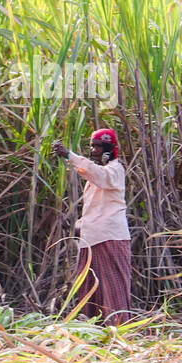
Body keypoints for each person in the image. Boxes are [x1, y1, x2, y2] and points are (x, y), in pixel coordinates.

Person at [51, 128, 132, 324]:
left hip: (110, 237)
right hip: (91, 238)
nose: (94, 151)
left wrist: (69, 155)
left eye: (99, 147)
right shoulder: (96, 176)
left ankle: (119, 328)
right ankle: (91, 328)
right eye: (92, 146)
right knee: (87, 285)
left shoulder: (114, 170)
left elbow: (96, 174)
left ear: (110, 149)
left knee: (114, 285)